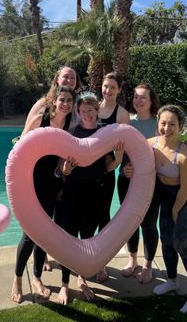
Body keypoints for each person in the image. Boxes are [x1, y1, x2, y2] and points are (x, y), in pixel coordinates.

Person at [11, 86, 77, 304]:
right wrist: (20, 184)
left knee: (45, 232)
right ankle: (18, 278)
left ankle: (37, 277)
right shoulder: (41, 119)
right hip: (32, 181)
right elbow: (20, 149)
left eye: (69, 100)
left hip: (52, 183)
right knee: (29, 235)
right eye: (61, 99)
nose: (65, 103)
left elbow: (63, 162)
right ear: (54, 101)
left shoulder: (70, 126)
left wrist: (65, 172)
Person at [57, 94, 124, 305]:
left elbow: (107, 166)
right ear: (78, 112)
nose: (87, 114)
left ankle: (82, 277)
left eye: (91, 110)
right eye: (83, 111)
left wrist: (120, 158)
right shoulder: (71, 133)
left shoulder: (104, 133)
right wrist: (66, 170)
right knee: (69, 238)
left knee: (87, 237)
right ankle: (64, 285)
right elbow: (61, 168)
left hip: (94, 194)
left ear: (97, 110)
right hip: (73, 194)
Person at [150, 105, 187, 314]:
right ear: (158, 124)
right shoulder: (151, 144)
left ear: (180, 126)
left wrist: (175, 210)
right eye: (163, 123)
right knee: (166, 241)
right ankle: (172, 280)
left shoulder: (185, 154)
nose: (167, 128)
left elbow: (186, 188)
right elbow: (130, 149)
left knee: (181, 244)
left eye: (172, 124)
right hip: (167, 197)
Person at [118, 83, 160, 283]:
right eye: (135, 97)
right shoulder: (127, 123)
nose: (138, 100)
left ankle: (147, 265)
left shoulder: (159, 123)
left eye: (143, 97)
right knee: (130, 223)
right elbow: (121, 152)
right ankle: (132, 259)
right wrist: (124, 168)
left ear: (151, 101)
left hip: (152, 183)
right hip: (127, 180)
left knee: (149, 224)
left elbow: (166, 151)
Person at [97, 72, 130, 283]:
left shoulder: (122, 114)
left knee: (102, 217)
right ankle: (78, 259)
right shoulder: (90, 107)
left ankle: (100, 263)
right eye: (105, 86)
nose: (108, 91)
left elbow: (123, 147)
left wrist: (119, 162)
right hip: (84, 170)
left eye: (112, 88)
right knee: (83, 216)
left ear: (119, 90)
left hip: (106, 171)